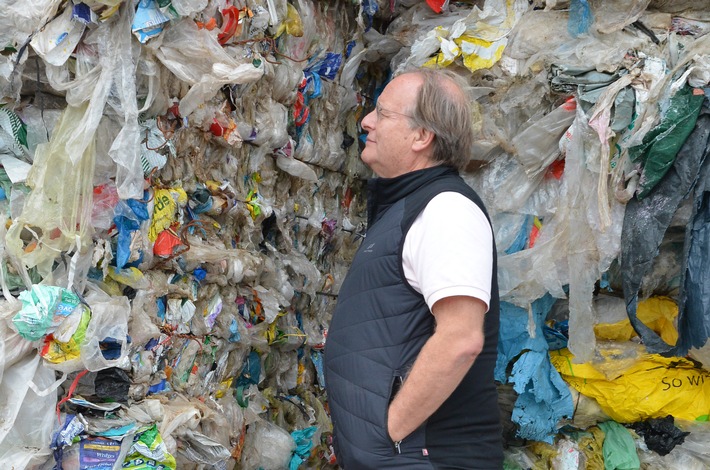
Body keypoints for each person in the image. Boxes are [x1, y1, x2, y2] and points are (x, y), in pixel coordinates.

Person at [323, 68, 503, 469]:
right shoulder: (411, 207)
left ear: (422, 137)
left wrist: (387, 433)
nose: (367, 121)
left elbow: (461, 339)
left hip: (426, 458)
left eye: (383, 114)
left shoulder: (447, 210)